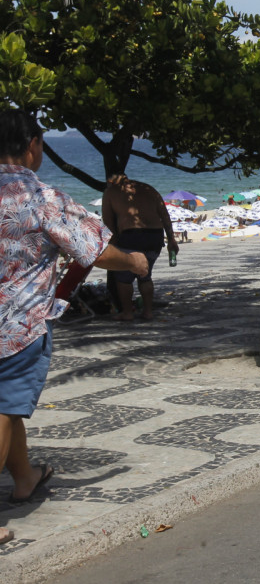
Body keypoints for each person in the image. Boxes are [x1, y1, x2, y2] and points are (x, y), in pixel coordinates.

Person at [0, 110, 147, 545]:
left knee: (10, 403)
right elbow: (95, 250)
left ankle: (25, 478)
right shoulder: (42, 196)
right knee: (6, 407)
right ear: (33, 146)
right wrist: (134, 262)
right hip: (16, 326)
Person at [101, 175, 178, 321]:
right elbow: (165, 216)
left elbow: (108, 221)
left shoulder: (111, 192)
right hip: (155, 235)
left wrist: (113, 243)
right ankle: (148, 312)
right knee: (145, 275)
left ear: (111, 182)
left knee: (124, 277)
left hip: (131, 234)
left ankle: (127, 313)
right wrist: (172, 239)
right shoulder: (148, 189)